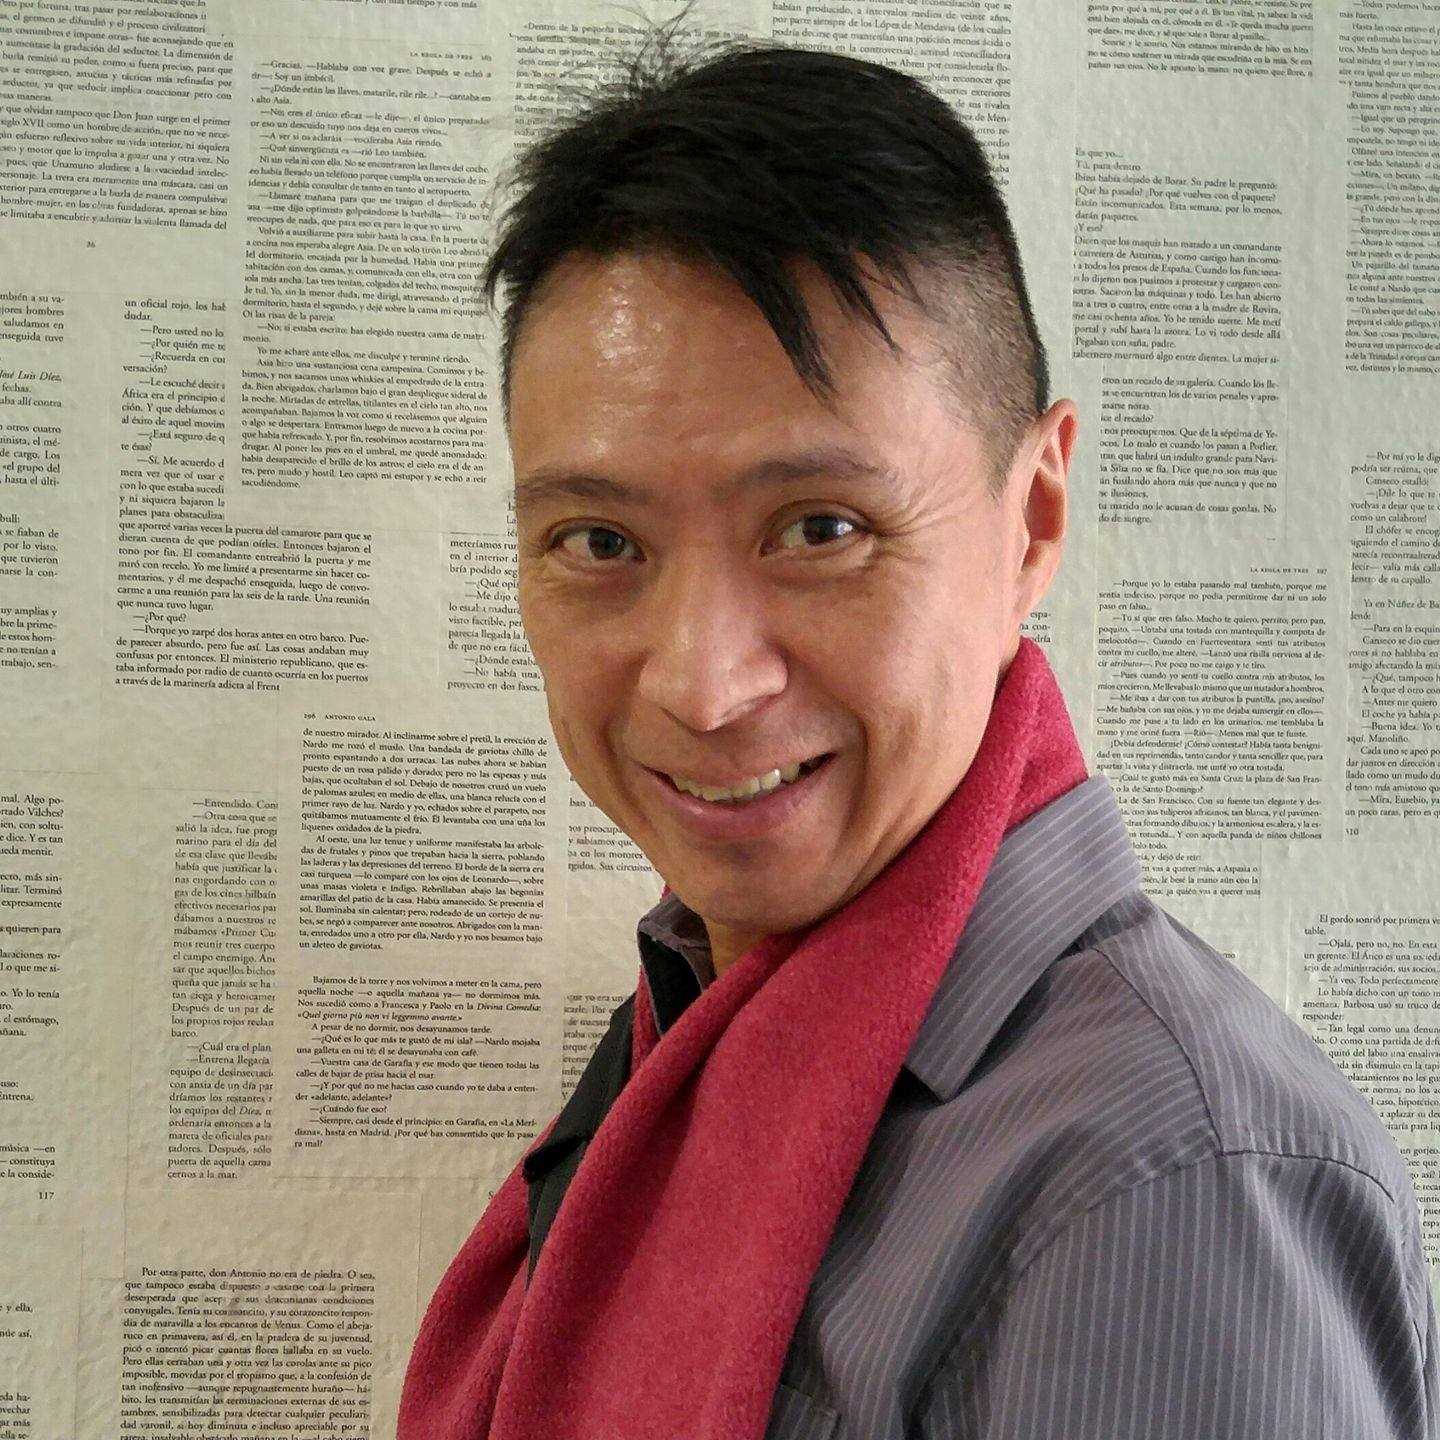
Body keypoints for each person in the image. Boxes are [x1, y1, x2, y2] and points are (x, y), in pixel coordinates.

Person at [398, 18, 1437, 1440]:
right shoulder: (687, 1036)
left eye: (821, 529)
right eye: (599, 541)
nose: (702, 686)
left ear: (1033, 521)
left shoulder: (1162, 1182)